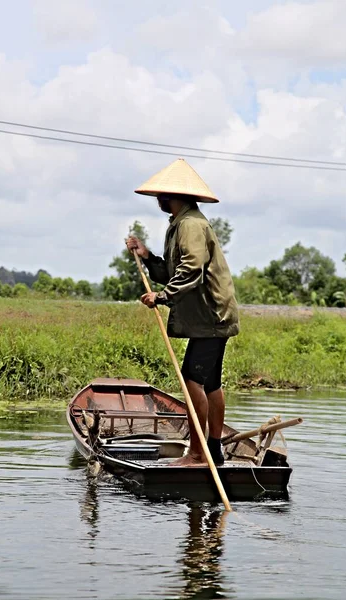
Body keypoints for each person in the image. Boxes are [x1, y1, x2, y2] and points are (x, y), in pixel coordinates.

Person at [126, 158, 239, 467]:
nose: (158, 201)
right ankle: (213, 451)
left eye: (160, 196)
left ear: (170, 196)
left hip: (211, 317)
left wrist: (162, 297)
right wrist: (146, 255)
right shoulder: (181, 225)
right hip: (211, 318)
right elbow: (172, 270)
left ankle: (198, 453)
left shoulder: (190, 225)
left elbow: (192, 270)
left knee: (193, 380)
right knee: (211, 382)